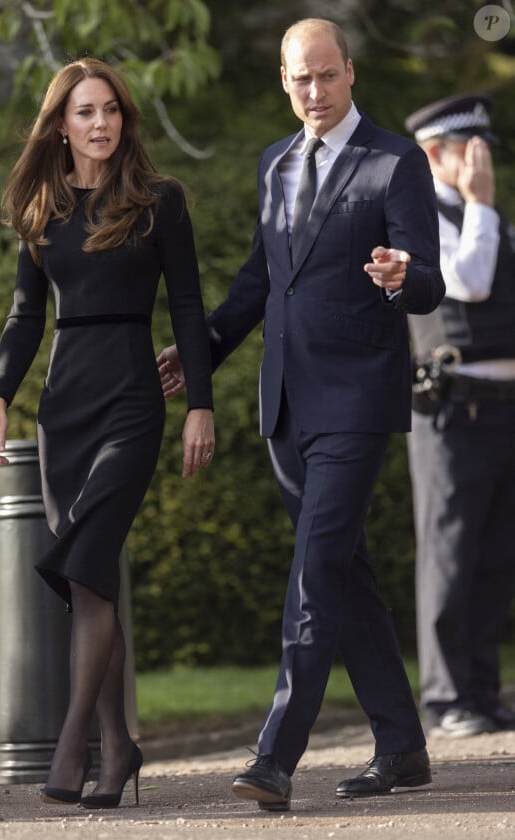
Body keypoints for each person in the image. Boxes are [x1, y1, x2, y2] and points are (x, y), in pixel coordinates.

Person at [157, 18, 444, 810]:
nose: (313, 93)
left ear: (350, 72)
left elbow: (428, 284)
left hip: (357, 399)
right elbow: (262, 280)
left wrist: (399, 275)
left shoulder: (396, 161)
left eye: (326, 76)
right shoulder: (275, 163)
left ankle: (276, 756)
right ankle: (404, 748)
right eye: (299, 80)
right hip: (285, 401)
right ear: (283, 81)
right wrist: (204, 350)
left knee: (315, 574)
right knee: (345, 576)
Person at [0, 57, 215, 808]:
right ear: (60, 124)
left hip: (131, 405)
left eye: (110, 109)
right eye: (85, 112)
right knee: (89, 583)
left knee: (87, 561)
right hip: (63, 408)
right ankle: (118, 751)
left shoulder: (158, 202)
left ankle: (74, 742)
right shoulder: (39, 208)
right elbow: (24, 316)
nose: (101, 123)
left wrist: (200, 405)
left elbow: (186, 309)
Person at [404, 94, 515, 738]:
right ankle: (447, 697)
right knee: (450, 553)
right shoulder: (423, 224)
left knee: (496, 555)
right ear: (431, 156)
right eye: (465, 150)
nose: (480, 162)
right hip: (452, 412)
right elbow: (467, 283)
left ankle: (481, 688)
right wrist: (480, 202)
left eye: (483, 150)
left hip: (501, 409)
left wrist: (483, 209)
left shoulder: (486, 219)